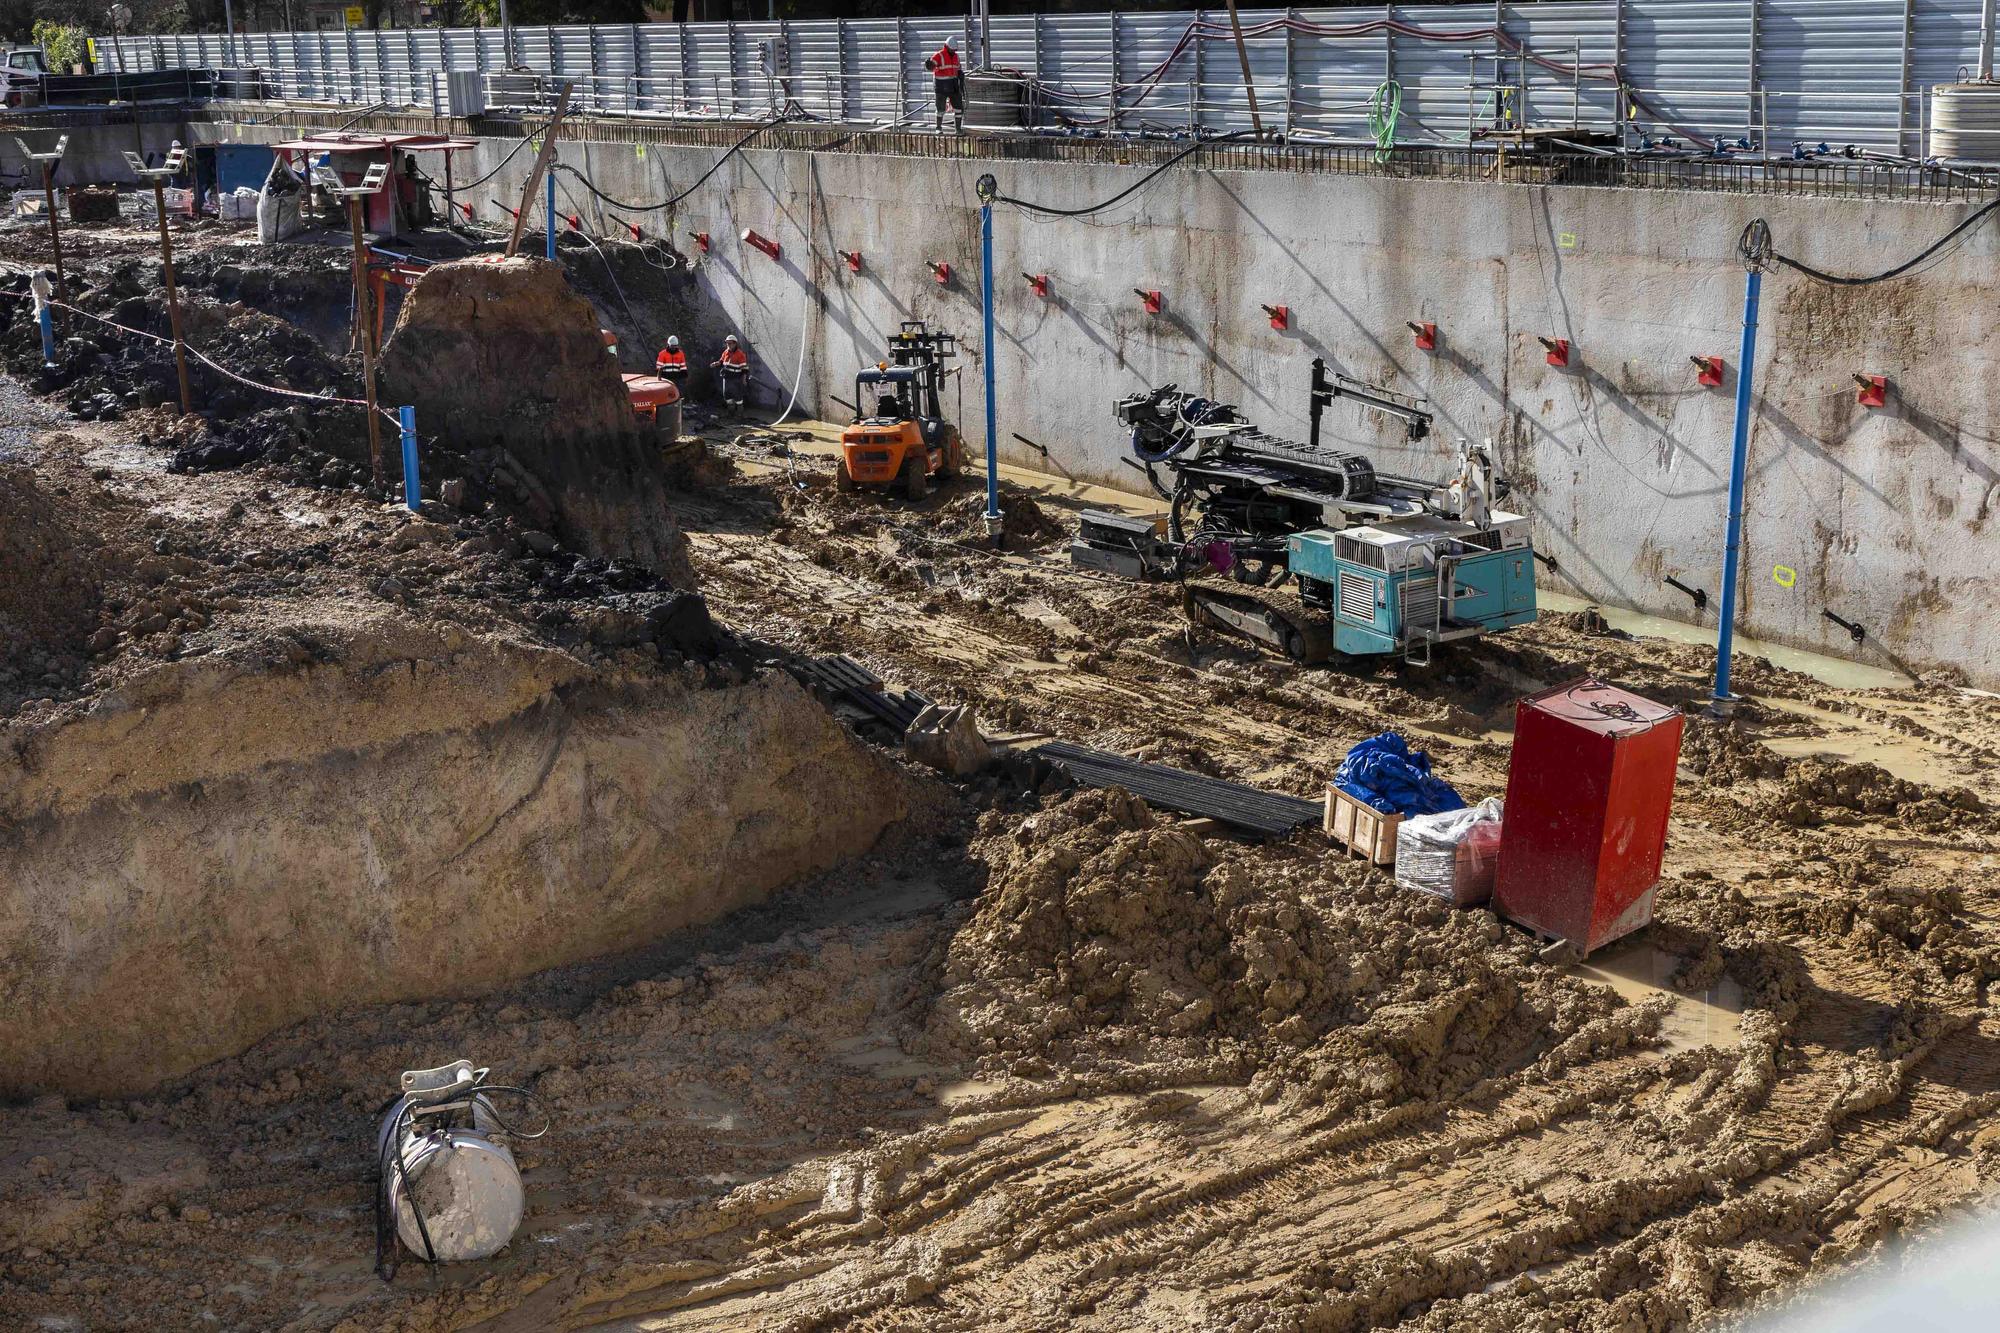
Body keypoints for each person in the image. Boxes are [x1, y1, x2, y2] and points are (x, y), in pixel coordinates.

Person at [924, 39, 964, 134]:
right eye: (952, 50)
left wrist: (960, 75)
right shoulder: (939, 55)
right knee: (940, 108)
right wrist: (929, 65)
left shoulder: (956, 57)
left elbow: (958, 68)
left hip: (953, 85)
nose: (953, 51)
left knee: (959, 108)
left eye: (955, 50)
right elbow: (931, 67)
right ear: (947, 47)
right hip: (941, 85)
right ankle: (938, 128)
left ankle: (958, 129)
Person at [712, 335, 750, 409]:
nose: (728, 345)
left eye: (730, 343)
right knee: (726, 394)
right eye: (727, 343)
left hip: (736, 378)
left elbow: (744, 368)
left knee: (737, 395)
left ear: (735, 343)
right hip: (726, 377)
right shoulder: (725, 352)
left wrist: (744, 379)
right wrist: (716, 363)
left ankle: (739, 415)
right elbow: (721, 361)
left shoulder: (740, 354)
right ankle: (731, 413)